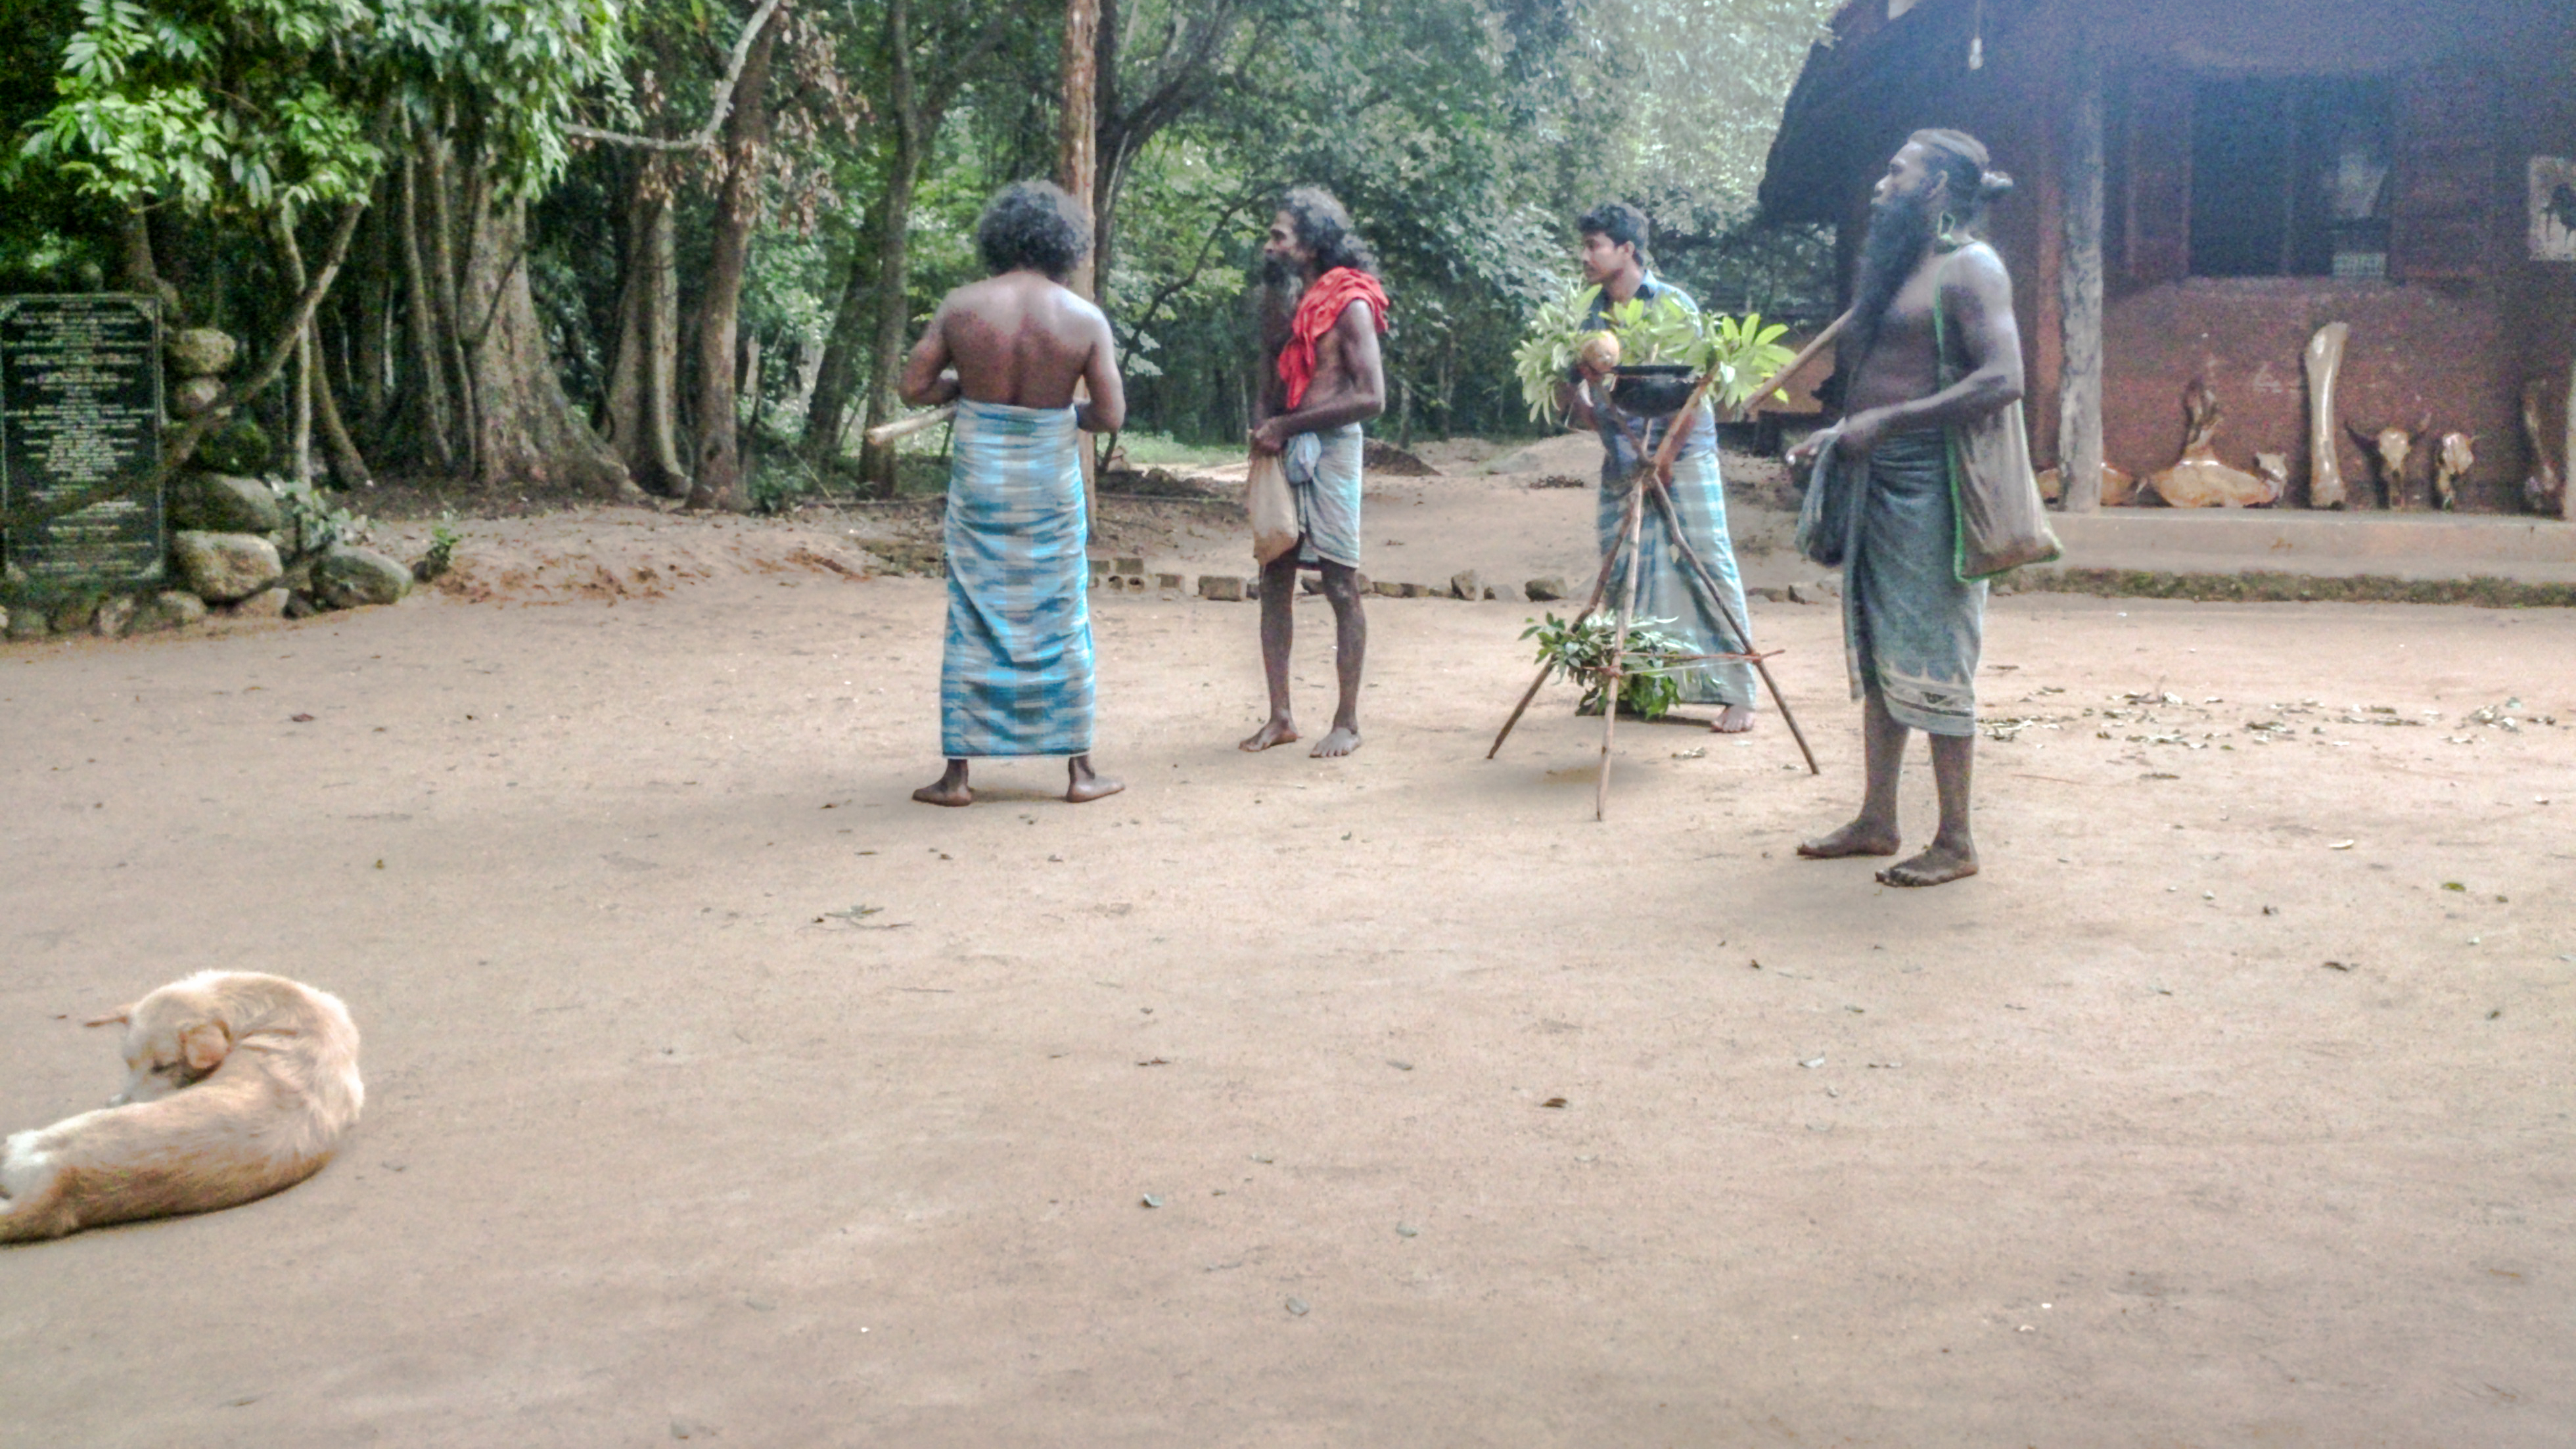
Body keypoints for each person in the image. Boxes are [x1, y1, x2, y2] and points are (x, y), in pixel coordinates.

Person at [1787, 129, 2023, 886]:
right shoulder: (1902, 268)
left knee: (1935, 653)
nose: (1878, 187)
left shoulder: (1971, 268)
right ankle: (1877, 819)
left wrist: (1884, 425)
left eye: (1895, 173)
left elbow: (2003, 378)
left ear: (1934, 187)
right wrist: (1835, 433)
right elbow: (1888, 379)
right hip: (1874, 477)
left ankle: (1955, 840)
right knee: (1880, 646)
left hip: (1935, 487)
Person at [898, 181, 1125, 808]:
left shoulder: (962, 305)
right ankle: (1080, 771)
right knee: (1060, 612)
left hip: (981, 481)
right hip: (1049, 485)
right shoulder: (1083, 318)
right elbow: (1109, 415)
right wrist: (1057, 417)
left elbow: (913, 386)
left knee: (973, 610)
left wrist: (963, 390)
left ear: (998, 237)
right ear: (1065, 244)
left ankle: (957, 776)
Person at [1557, 202, 1759, 733]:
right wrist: (1585, 402)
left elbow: (1696, 391)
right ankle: (1637, 687)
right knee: (1625, 570)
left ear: (1627, 249)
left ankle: (1739, 692)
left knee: (1706, 562)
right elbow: (1575, 392)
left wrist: (1665, 458)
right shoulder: (1588, 316)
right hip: (1622, 459)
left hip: (1683, 457)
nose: (1586, 256)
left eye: (1594, 245)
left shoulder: (1674, 306)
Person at [1240, 187, 1389, 759]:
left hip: (1332, 449)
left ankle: (1346, 721)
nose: (1269, 245)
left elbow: (1371, 397)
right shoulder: (1281, 303)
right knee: (1273, 577)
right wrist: (1265, 429)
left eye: (1279, 235)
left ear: (1311, 243)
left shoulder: (1350, 304)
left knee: (1340, 584)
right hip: (1281, 445)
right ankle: (1281, 717)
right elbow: (1265, 375)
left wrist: (1289, 426)